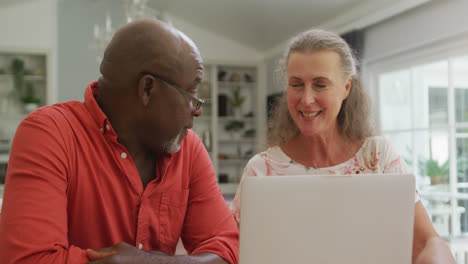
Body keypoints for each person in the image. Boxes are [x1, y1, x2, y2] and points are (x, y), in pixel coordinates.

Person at [0, 19, 238, 264]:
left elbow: (228, 248)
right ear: (147, 89)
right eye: (192, 94)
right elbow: (28, 260)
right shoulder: (49, 134)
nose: (197, 110)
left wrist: (145, 261)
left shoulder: (188, 149)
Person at [231, 29, 455, 264]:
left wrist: (437, 255)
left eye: (320, 85)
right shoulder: (261, 169)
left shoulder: (378, 155)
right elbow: (232, 248)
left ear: (346, 87)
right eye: (296, 84)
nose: (306, 99)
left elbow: (428, 241)